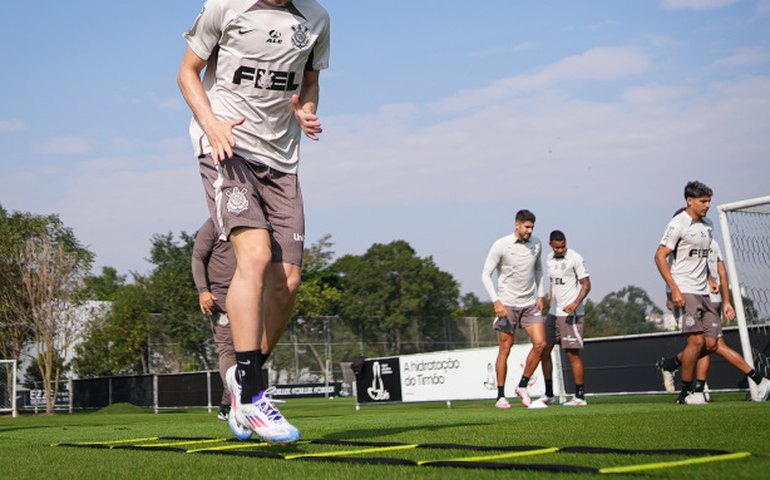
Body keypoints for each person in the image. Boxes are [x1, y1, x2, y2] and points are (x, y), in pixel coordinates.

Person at [178, 0, 330, 443]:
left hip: (283, 161)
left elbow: (311, 80)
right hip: (227, 148)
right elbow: (187, 72)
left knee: (288, 280)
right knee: (256, 254)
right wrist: (211, 124)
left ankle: (244, 385)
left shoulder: (317, 19)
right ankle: (254, 392)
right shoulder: (225, 7)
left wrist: (305, 109)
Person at [654, 181, 770, 405]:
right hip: (685, 290)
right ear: (689, 201)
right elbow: (659, 256)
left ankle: (672, 366)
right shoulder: (678, 224)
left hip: (705, 294)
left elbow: (705, 259)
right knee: (697, 343)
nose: (707, 205)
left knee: (714, 344)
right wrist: (675, 291)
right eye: (703, 201)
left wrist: (710, 280)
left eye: (709, 201)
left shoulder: (708, 225)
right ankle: (688, 393)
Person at [482, 209, 547, 409]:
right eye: (526, 227)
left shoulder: (536, 243)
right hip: (507, 304)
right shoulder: (501, 245)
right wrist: (496, 302)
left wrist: (541, 294)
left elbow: (538, 269)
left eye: (532, 227)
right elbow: (485, 274)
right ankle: (500, 396)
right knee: (505, 349)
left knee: (541, 344)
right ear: (516, 225)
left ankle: (522, 385)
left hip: (529, 304)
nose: (529, 231)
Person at [191, 218, 237, 421]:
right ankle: (235, 399)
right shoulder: (213, 225)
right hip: (221, 298)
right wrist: (203, 291)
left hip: (250, 295)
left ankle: (228, 403)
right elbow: (198, 257)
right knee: (228, 348)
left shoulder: (254, 222)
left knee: (254, 349)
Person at [540, 230, 591, 407]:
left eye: (563, 246)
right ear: (551, 245)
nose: (560, 249)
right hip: (554, 313)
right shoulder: (548, 259)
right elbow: (553, 284)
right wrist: (550, 302)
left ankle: (580, 397)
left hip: (572, 314)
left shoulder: (575, 258)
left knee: (571, 353)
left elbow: (587, 284)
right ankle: (549, 394)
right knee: (543, 349)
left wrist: (575, 303)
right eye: (557, 247)